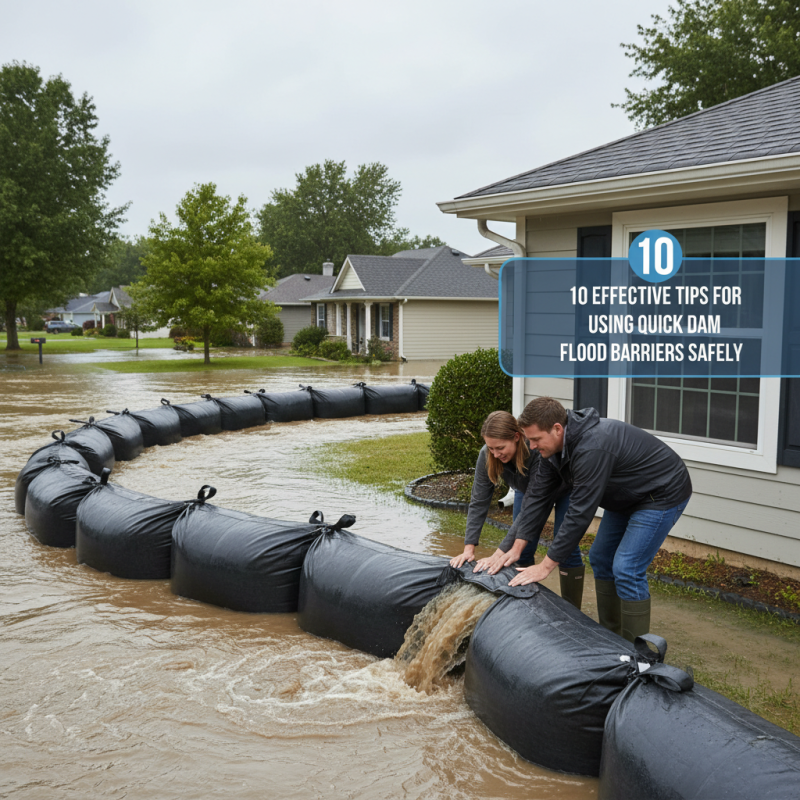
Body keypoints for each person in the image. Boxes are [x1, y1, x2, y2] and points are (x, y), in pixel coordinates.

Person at [500, 396, 692, 642]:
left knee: (627, 567)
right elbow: (537, 498)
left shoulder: (593, 447)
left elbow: (579, 513)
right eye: (529, 440)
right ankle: (611, 640)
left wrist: (545, 566)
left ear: (557, 429)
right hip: (625, 496)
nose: (532, 446)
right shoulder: (553, 451)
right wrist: (514, 548)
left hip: (661, 492)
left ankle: (641, 656)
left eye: (536, 439)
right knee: (601, 558)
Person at [449, 410, 585, 609]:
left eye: (500, 447)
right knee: (521, 549)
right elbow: (479, 501)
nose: (495, 453)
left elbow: (532, 508)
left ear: (516, 437)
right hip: (527, 491)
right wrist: (469, 548)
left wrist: (498, 553)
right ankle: (525, 604)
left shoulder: (537, 453)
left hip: (563, 489)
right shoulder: (487, 455)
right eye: (490, 448)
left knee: (565, 544)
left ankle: (573, 609)